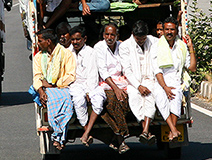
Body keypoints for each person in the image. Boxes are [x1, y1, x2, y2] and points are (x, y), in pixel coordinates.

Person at [119, 20, 168, 144]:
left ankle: (145, 131)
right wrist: (138, 86)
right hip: (133, 82)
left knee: (151, 97)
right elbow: (127, 70)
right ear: (133, 34)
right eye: (138, 39)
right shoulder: (125, 46)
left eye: (143, 38)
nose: (141, 41)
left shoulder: (154, 41)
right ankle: (146, 131)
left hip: (151, 79)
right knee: (135, 98)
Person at [29, 28, 76, 150]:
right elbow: (37, 76)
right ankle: (58, 135)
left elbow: (70, 75)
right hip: (44, 89)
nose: (38, 44)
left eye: (40, 41)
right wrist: (41, 91)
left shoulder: (66, 54)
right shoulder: (38, 57)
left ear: (48, 41)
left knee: (65, 100)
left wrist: (54, 84)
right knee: (47, 97)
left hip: (61, 87)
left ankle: (58, 135)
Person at [154, 18, 196, 142]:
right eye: (167, 29)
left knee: (177, 96)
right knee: (160, 96)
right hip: (160, 81)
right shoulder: (156, 46)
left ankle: (172, 131)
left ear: (176, 31)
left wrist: (190, 48)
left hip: (176, 80)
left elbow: (192, 68)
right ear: (163, 30)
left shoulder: (181, 46)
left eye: (172, 29)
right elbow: (157, 71)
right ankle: (173, 129)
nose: (169, 32)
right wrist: (165, 87)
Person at [94, 23, 131, 152]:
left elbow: (126, 66)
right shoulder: (99, 47)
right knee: (112, 101)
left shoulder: (122, 46)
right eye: (107, 34)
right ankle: (121, 137)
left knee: (126, 100)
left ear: (117, 36)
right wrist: (115, 88)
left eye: (112, 35)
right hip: (106, 83)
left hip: (122, 81)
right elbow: (103, 71)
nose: (109, 37)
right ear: (103, 35)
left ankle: (115, 138)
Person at [68, 26, 106, 147]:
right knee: (78, 100)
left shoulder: (91, 52)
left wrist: (89, 92)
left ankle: (87, 132)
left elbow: (93, 74)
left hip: (91, 85)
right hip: (75, 85)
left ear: (84, 39)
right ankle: (87, 132)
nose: (75, 42)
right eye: (73, 39)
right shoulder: (68, 52)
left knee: (98, 101)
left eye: (78, 39)